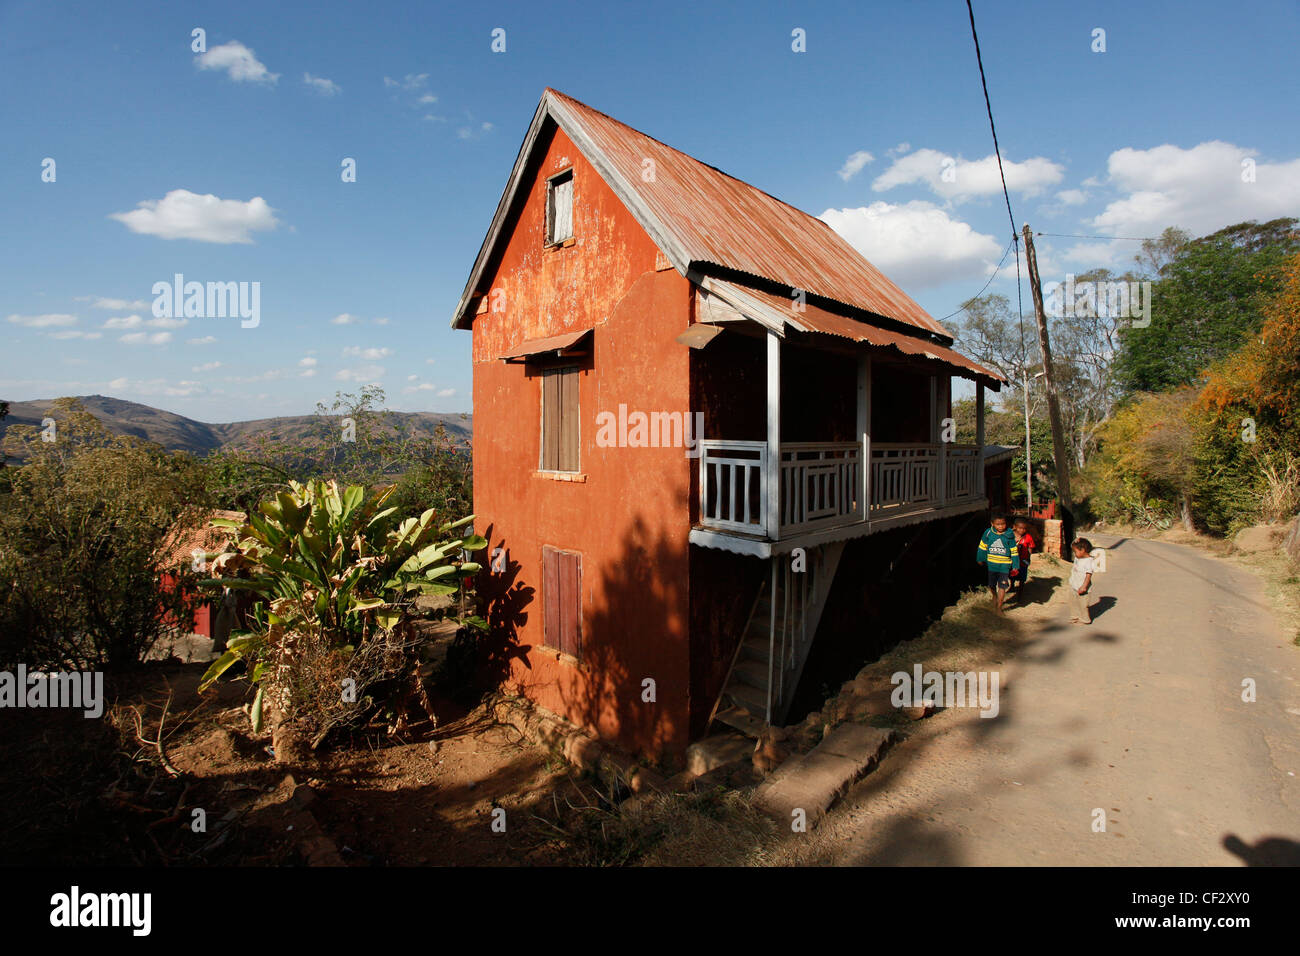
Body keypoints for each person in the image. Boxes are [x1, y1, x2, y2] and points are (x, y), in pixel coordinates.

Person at [977, 513, 1020, 615]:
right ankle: (994, 596)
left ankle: (999, 608)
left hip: (1004, 566)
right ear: (992, 524)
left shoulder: (1009, 535)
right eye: (998, 524)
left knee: (1002, 586)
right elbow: (982, 546)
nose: (1001, 526)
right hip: (992, 564)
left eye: (1003, 524)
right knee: (991, 585)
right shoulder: (988, 533)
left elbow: (1014, 551)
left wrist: (1015, 566)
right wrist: (980, 558)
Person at [1067, 537, 1096, 625]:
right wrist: (1076, 540)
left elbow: (1088, 575)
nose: (1074, 554)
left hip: (1083, 587)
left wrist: (1084, 586)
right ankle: (1075, 616)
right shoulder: (1078, 557)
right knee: (1072, 602)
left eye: (1075, 551)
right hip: (1074, 584)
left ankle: (1085, 619)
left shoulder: (1089, 561)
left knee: (1083, 604)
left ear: (1083, 550)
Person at [1008, 518, 1036, 599]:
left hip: (1023, 561)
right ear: (1015, 527)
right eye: (1020, 528)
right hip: (1013, 560)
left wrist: (1028, 557)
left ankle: (1020, 592)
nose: (1022, 530)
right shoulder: (1010, 535)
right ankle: (1012, 586)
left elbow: (1030, 547)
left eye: (1024, 528)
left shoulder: (1028, 537)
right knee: (1012, 574)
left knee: (1022, 577)